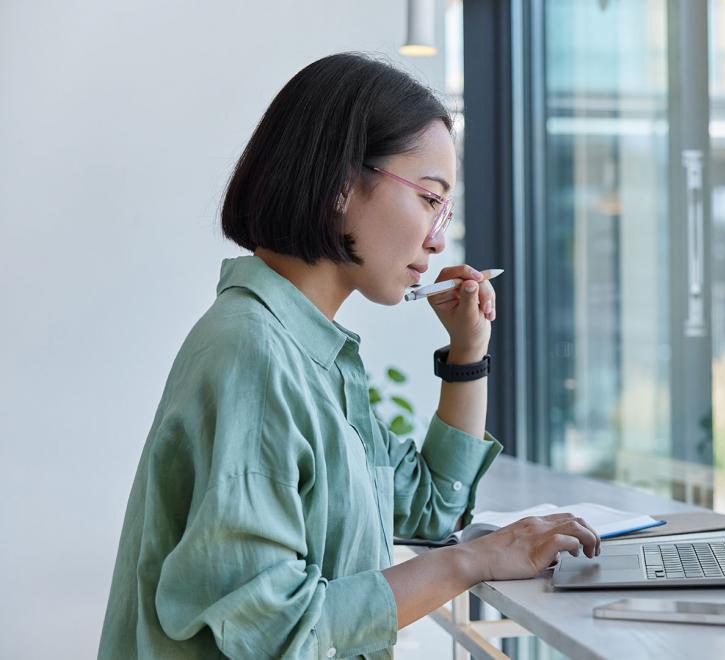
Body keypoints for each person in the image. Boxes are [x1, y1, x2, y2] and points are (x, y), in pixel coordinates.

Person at [97, 52, 600, 659]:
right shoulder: (254, 356)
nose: (439, 238)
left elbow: (432, 507)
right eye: (428, 199)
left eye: (446, 212)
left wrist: (468, 354)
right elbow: (280, 631)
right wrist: (473, 561)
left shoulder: (315, 357)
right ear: (339, 185)